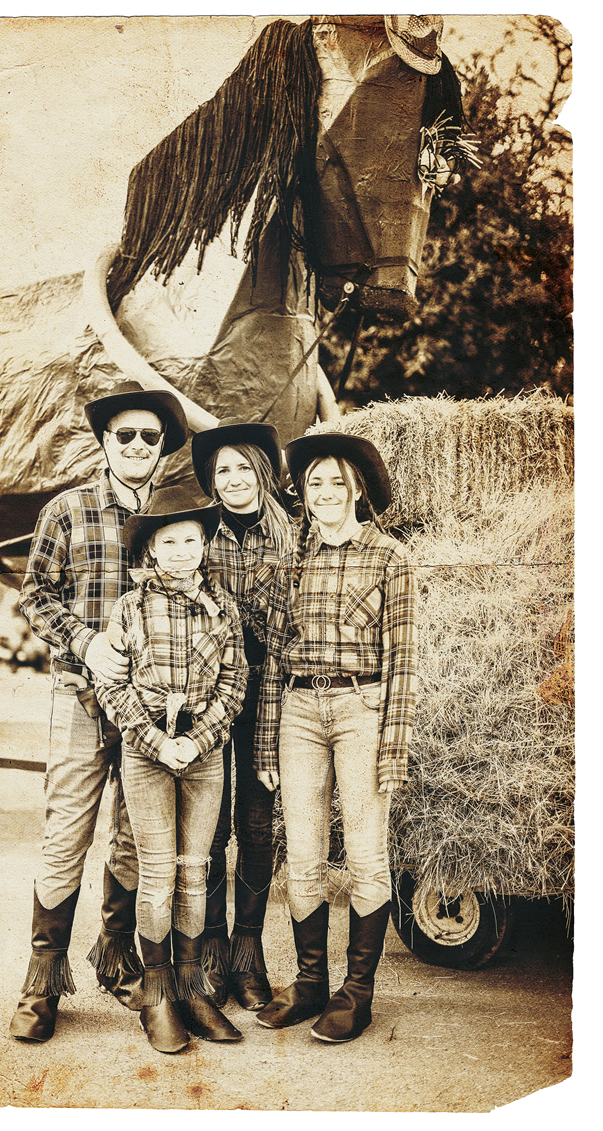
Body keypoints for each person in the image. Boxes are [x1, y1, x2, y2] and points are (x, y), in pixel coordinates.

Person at [9, 379, 188, 1042]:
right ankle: (42, 982)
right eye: (125, 434)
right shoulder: (67, 510)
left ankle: (116, 958)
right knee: (66, 833)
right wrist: (86, 643)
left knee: (137, 837)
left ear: (162, 446)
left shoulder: (176, 517)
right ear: (106, 442)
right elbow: (35, 594)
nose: (138, 445)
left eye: (150, 436)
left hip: (150, 712)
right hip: (81, 696)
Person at [252, 423, 417, 1044]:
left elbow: (404, 660)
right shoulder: (292, 562)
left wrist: (393, 746)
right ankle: (311, 982)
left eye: (335, 483)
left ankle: (358, 993)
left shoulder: (390, 558)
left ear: (357, 491)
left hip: (361, 708)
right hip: (298, 710)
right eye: (313, 482)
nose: (323, 492)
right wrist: (266, 742)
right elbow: (275, 658)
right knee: (304, 855)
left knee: (367, 854)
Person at [95, 487, 248, 1053]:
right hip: (148, 750)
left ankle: (190, 987)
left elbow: (235, 682)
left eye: (191, 540)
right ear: (151, 550)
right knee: (157, 874)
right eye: (170, 542)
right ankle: (157, 995)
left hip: (203, 753)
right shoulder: (129, 608)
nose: (182, 551)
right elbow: (112, 686)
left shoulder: (222, 607)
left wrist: (198, 740)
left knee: (194, 872)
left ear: (203, 545)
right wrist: (159, 742)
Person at [189, 419, 296, 1010]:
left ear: (263, 471)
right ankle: (210, 946)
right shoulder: (201, 535)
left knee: (257, 822)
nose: (233, 479)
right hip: (211, 693)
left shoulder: (293, 535)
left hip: (269, 694)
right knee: (210, 823)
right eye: (222, 470)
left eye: (242, 467)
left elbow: (290, 636)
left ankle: (247, 948)